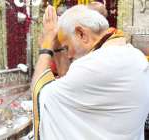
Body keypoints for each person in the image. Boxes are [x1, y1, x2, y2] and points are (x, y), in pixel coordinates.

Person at [32, 5, 149, 140]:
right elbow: (68, 85)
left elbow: (41, 91)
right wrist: (58, 49)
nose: (68, 55)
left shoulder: (96, 64)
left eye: (67, 47)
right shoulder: (132, 54)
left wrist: (47, 44)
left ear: (81, 34)